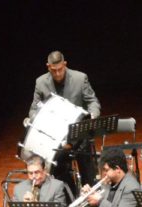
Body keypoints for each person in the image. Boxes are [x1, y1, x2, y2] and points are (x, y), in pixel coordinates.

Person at [28, 50, 101, 190]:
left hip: (79, 135)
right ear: (48, 67)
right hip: (56, 138)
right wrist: (41, 120)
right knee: (58, 171)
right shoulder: (41, 82)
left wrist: (91, 117)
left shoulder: (80, 78)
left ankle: (90, 202)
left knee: (88, 173)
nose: (57, 74)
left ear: (65, 64)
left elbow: (93, 102)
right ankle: (69, 196)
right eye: (53, 70)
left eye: (60, 69)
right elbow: (33, 111)